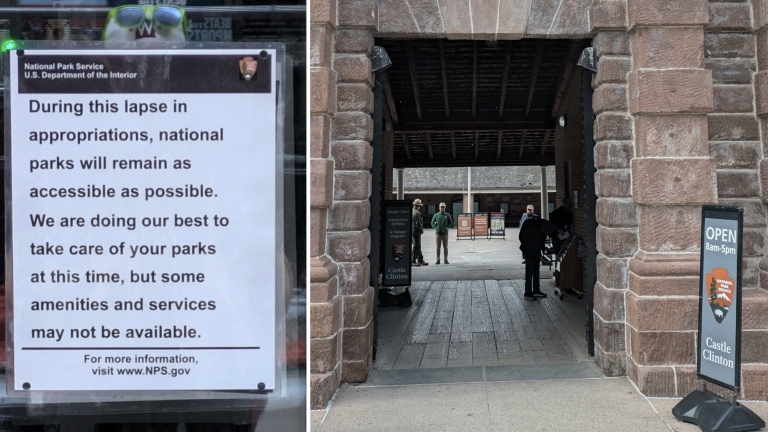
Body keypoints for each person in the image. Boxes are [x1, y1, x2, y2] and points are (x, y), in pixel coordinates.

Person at [519, 217, 555, 300]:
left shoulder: (533, 225)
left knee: (535, 270)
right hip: (530, 250)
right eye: (545, 232)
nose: (545, 233)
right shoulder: (538, 228)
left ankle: (536, 290)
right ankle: (528, 292)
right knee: (530, 271)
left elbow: (521, 237)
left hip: (534, 249)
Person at [411, 199, 428, 266]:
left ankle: (420, 259)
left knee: (418, 246)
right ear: (418, 206)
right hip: (416, 232)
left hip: (412, 231)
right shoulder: (417, 213)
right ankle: (413, 260)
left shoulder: (411, 211)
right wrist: (421, 231)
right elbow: (418, 224)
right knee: (416, 246)